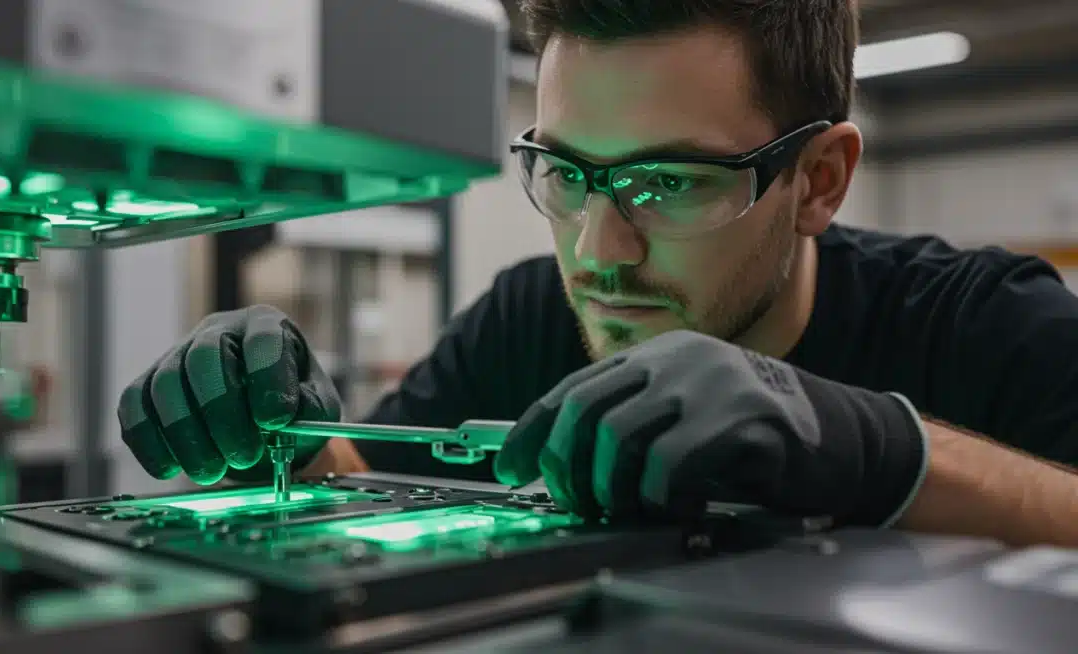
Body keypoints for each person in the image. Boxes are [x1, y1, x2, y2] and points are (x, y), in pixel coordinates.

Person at [117, 0, 1078, 547]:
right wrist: (269, 435)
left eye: (667, 182)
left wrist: (880, 448)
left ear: (818, 181)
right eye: (569, 175)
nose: (596, 252)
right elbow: (366, 484)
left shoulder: (983, 321)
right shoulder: (527, 319)